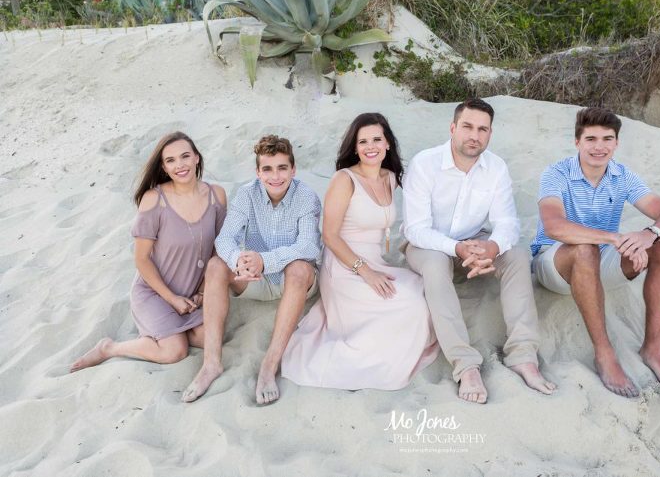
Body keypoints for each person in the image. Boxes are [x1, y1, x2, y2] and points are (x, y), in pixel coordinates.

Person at [402, 98, 555, 404]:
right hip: (430, 246)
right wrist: (456, 248)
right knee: (434, 265)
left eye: (482, 129)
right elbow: (415, 229)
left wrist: (492, 247)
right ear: (453, 128)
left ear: (490, 134)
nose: (475, 135)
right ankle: (465, 364)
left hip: (476, 243)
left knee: (517, 257)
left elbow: (508, 222)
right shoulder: (425, 163)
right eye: (468, 127)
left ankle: (523, 355)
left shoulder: (495, 167)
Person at [531, 107, 660, 398]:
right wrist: (613, 238)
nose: (599, 147)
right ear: (577, 142)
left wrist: (648, 235)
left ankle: (653, 349)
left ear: (616, 143)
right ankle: (604, 354)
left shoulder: (622, 176)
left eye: (607, 139)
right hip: (555, 265)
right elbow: (553, 226)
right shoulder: (556, 174)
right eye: (591, 139)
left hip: (602, 261)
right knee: (585, 250)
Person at [280, 113, 439, 390]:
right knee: (409, 304)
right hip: (345, 266)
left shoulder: (391, 178)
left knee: (423, 291)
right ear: (354, 147)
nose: (370, 146)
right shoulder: (345, 179)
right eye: (362, 141)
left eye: (377, 139)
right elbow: (329, 235)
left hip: (377, 261)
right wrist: (365, 272)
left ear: (387, 143)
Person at [182, 135, 321, 404]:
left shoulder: (306, 197)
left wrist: (264, 260)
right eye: (267, 169)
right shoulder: (247, 194)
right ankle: (211, 363)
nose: (275, 176)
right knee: (215, 265)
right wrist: (239, 261)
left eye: (282, 168)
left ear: (293, 169)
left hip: (293, 281)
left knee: (300, 269)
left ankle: (269, 365)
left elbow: (308, 247)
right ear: (258, 172)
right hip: (254, 279)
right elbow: (225, 239)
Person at [70, 132, 227, 372]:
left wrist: (204, 290)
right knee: (176, 351)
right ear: (164, 167)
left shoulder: (216, 195)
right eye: (171, 160)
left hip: (193, 294)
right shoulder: (154, 199)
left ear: (197, 158)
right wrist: (172, 299)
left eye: (185, 156)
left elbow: (219, 247)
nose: (180, 165)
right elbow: (141, 260)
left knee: (211, 339)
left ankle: (172, 330)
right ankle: (109, 348)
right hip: (155, 292)